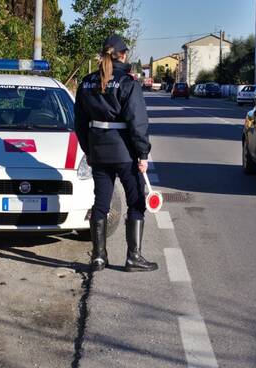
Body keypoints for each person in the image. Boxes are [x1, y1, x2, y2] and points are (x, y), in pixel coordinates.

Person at [74, 34, 158, 273]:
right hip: (125, 153)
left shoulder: (87, 82)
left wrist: (89, 150)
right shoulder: (127, 83)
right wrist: (142, 154)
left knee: (101, 203)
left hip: (99, 152)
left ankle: (98, 257)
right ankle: (134, 257)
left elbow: (79, 123)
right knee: (136, 202)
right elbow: (137, 122)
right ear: (122, 55)